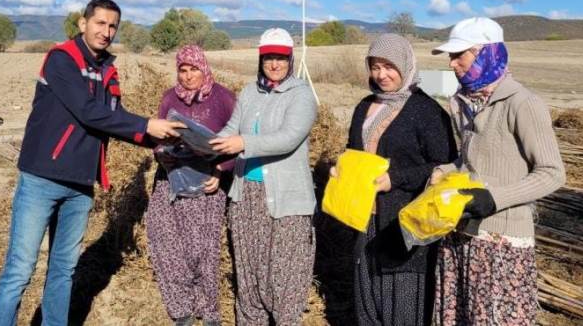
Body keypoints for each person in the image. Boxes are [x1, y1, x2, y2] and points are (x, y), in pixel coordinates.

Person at [0, 0, 184, 326]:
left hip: (80, 185)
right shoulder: (61, 59)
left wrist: (155, 138)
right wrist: (145, 124)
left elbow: (114, 117)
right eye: (100, 23)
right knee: (20, 271)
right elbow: (87, 111)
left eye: (112, 26)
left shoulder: (107, 69)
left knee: (63, 271)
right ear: (83, 23)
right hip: (42, 179)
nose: (106, 32)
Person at [430, 17, 565, 325]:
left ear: (486, 53)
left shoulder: (522, 103)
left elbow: (552, 172)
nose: (452, 64)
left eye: (458, 55)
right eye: (451, 57)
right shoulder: (466, 104)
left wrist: (493, 199)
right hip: (461, 234)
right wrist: (443, 170)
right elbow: (471, 162)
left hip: (502, 242)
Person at [338, 33, 457, 325]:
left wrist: (396, 178)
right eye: (375, 67)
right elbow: (354, 152)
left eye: (389, 66)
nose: (381, 75)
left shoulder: (426, 111)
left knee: (402, 299)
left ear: (405, 65)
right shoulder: (364, 106)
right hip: (364, 216)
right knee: (367, 293)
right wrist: (342, 169)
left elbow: (446, 166)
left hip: (404, 219)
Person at [210, 28, 318, 325]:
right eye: (268, 57)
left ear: (290, 59)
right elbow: (231, 129)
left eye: (280, 58)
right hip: (246, 198)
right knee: (250, 279)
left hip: (287, 203)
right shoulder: (249, 92)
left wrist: (244, 143)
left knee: (284, 281)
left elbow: (289, 137)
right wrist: (205, 144)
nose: (274, 64)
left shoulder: (301, 94)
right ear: (260, 59)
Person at [146, 45, 237, 326]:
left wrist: (221, 170)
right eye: (182, 70)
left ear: (204, 68)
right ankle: (182, 312)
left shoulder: (224, 99)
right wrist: (162, 152)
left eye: (193, 69)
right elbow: (157, 139)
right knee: (168, 247)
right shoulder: (169, 98)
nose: (187, 76)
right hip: (171, 180)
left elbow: (241, 143)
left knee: (203, 254)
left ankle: (209, 314)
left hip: (207, 185)